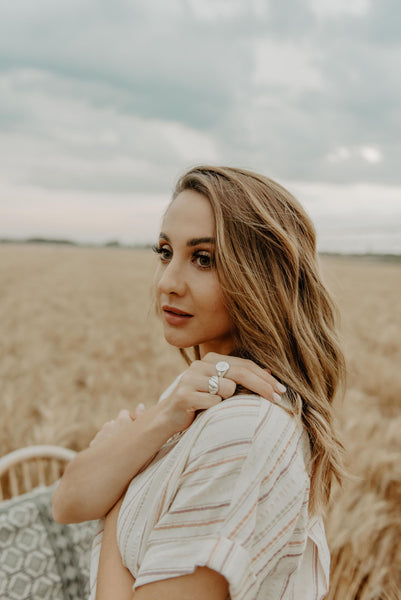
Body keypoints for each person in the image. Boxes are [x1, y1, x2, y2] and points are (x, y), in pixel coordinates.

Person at [52, 165, 345, 600]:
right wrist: (158, 421)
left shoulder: (243, 431)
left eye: (203, 259)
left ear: (262, 278)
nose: (167, 282)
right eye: (165, 251)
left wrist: (117, 500)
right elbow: (67, 503)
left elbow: (93, 506)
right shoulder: (195, 392)